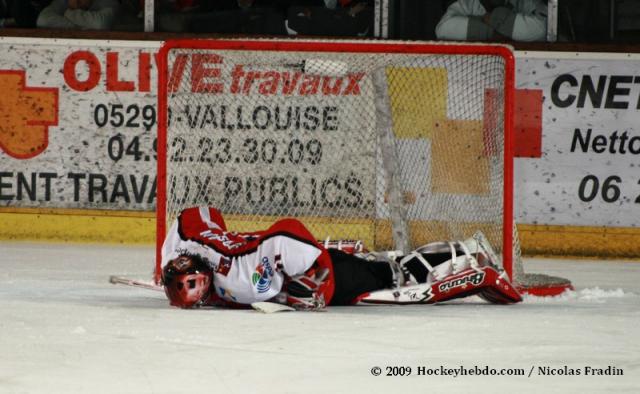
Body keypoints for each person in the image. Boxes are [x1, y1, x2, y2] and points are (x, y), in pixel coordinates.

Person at [161, 206, 521, 310]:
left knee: (392, 277)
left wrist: (315, 274)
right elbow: (197, 214)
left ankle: (470, 253)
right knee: (381, 268)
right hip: (301, 264)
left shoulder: (240, 278)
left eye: (191, 281)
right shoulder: (185, 247)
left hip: (330, 276)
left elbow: (286, 231)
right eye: (190, 289)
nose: (197, 287)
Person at [435, 0, 547, 42]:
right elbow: (442, 29)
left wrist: (494, 19)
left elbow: (543, 29)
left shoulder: (524, 3)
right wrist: (492, 33)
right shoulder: (467, 3)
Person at [36, 0, 120, 30]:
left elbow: (100, 24)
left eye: (79, 0)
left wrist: (68, 13)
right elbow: (42, 21)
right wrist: (83, 27)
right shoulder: (63, 2)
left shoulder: (108, 2)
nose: (75, 2)